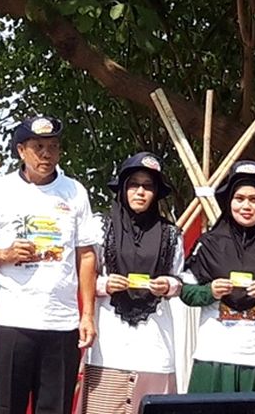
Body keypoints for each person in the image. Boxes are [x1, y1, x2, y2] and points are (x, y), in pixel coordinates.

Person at [0, 115, 98, 414]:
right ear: (21, 150)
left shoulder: (74, 191)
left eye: (53, 147)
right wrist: (5, 255)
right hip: (10, 319)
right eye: (38, 146)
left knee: (55, 407)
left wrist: (87, 315)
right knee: (6, 407)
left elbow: (86, 255)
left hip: (61, 320)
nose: (46, 154)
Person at [180, 161, 255, 414]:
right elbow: (186, 290)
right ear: (229, 201)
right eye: (239, 198)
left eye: (254, 199)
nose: (246, 206)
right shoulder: (209, 243)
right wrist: (209, 292)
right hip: (214, 358)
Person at [77, 152, 183, 414]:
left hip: (155, 345)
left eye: (148, 186)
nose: (140, 192)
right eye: (134, 184)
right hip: (110, 346)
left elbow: (181, 278)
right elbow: (83, 274)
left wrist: (168, 285)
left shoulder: (171, 234)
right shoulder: (101, 226)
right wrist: (105, 285)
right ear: (123, 188)